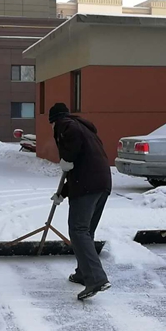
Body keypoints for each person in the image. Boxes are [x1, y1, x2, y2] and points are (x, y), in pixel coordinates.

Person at [48, 103, 112, 300]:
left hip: (87, 186)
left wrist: (67, 156)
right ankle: (83, 273)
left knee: (78, 230)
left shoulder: (66, 125)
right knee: (86, 232)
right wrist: (63, 192)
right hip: (101, 184)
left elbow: (73, 157)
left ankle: (96, 278)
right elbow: (83, 165)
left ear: (54, 120)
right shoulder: (84, 128)